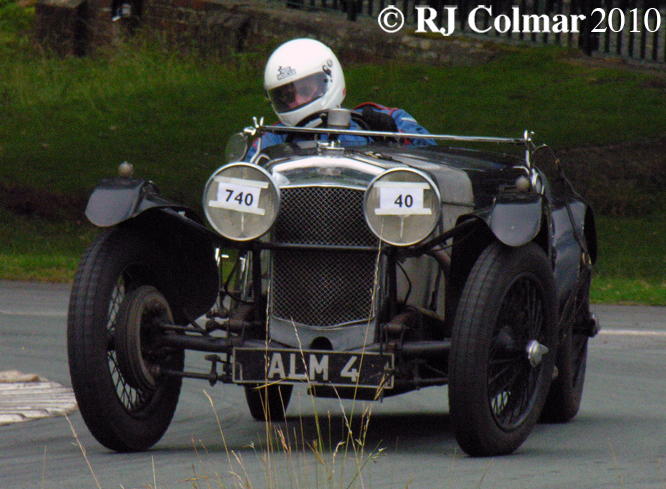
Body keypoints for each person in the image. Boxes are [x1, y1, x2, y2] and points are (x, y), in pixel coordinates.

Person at [244, 38, 435, 161]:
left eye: (305, 89)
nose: (296, 100)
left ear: (329, 79)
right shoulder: (269, 141)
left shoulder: (389, 119)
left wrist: (393, 137)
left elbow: (434, 158)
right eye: (286, 96)